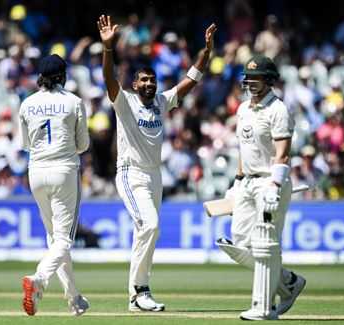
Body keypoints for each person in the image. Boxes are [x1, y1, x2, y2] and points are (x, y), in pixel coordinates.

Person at [97, 14, 216, 312]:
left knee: (148, 230)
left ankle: (134, 297)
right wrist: (108, 47)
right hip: (130, 173)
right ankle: (141, 290)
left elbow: (191, 78)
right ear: (135, 84)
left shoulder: (162, 102)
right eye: (144, 80)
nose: (149, 84)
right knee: (150, 226)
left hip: (154, 177)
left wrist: (207, 51)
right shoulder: (124, 102)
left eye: (152, 80)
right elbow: (109, 78)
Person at [216, 55, 306, 320]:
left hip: (270, 180)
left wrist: (275, 187)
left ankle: (263, 307)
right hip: (247, 182)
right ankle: (289, 282)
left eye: (256, 77)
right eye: (248, 77)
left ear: (269, 80)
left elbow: (283, 155)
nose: (251, 82)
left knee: (266, 243)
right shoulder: (243, 109)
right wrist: (237, 182)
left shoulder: (278, 110)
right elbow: (244, 149)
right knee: (240, 243)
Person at [19, 54, 90, 317]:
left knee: (55, 240)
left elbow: (25, 144)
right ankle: (39, 278)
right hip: (64, 171)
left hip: (36, 172)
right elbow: (83, 145)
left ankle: (74, 299)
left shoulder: (27, 103)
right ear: (62, 76)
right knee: (63, 239)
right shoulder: (73, 102)